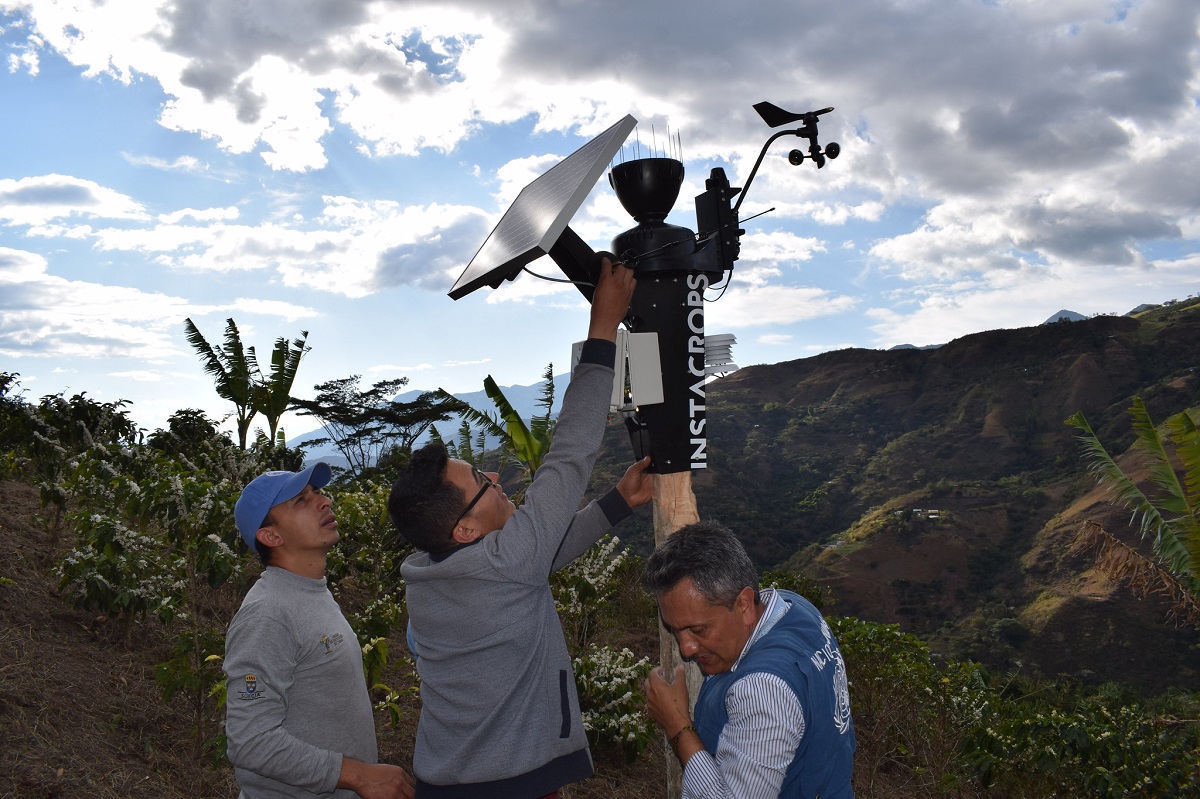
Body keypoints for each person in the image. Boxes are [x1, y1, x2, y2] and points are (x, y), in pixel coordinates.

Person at [387, 256, 654, 798]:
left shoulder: (430, 573)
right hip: (510, 784)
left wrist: (618, 502)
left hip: (444, 779)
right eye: (480, 482)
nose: (492, 474)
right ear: (463, 530)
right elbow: (569, 455)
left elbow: (541, 558)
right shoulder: (507, 563)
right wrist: (602, 331)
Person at [223, 462, 416, 799]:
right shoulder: (267, 615)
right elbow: (250, 740)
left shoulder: (310, 591)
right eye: (301, 500)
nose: (324, 501)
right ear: (271, 536)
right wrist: (359, 776)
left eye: (317, 493)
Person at [640, 521, 855, 799]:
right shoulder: (793, 607)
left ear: (743, 605)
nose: (686, 648)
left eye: (698, 629)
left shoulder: (762, 690)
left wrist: (677, 726)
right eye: (675, 630)